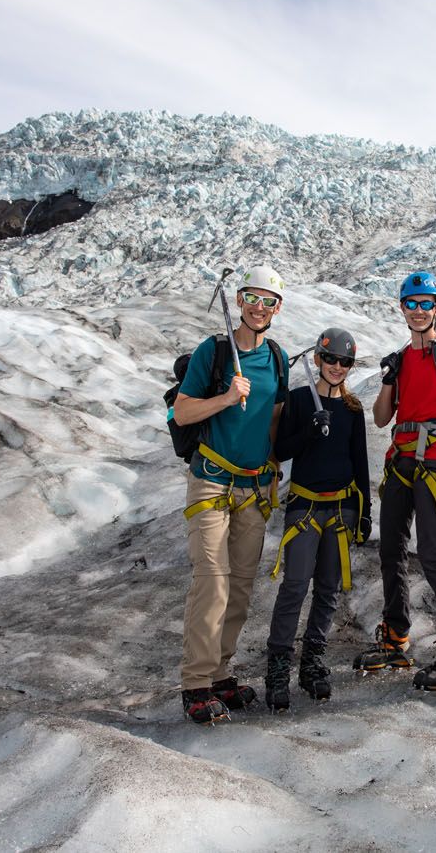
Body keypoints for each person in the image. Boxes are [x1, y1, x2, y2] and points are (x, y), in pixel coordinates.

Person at [173, 264, 289, 723]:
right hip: (212, 482)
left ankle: (220, 673)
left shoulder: (276, 358)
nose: (259, 308)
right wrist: (225, 397)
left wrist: (276, 463)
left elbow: (275, 417)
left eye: (269, 301)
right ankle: (195, 682)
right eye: (252, 298)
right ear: (239, 301)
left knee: (239, 587)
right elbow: (182, 414)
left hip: (255, 486)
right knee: (213, 582)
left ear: (278, 309)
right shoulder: (214, 352)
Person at [354, 271, 436, 691]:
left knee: (433, 551)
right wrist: (389, 378)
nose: (419, 311)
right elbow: (382, 417)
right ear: (402, 308)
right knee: (391, 549)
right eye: (412, 304)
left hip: (435, 460)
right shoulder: (401, 359)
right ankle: (396, 636)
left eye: (427, 304)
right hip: (400, 461)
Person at [264, 328, 372, 712]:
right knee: (294, 585)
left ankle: (312, 661)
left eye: (345, 362)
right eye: (331, 360)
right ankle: (278, 665)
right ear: (318, 361)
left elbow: (359, 462)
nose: (337, 368)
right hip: (305, 507)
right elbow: (282, 450)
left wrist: (365, 512)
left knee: (327, 588)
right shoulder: (297, 401)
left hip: (341, 509)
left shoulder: (354, 409)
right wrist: (309, 430)